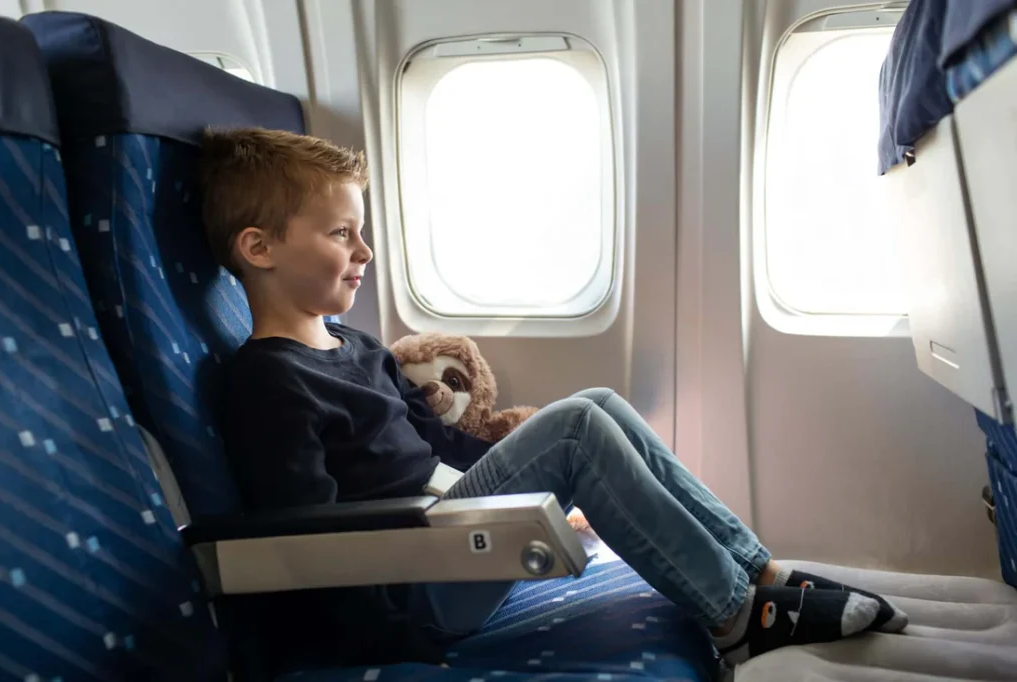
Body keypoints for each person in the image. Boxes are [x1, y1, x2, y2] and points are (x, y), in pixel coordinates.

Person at [202, 127, 907, 667]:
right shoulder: (266, 380)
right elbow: (308, 541)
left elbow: (443, 447)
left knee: (594, 403)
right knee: (572, 428)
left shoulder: (358, 348)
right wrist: (523, 490)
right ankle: (734, 622)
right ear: (260, 248)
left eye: (362, 234)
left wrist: (533, 488)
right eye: (341, 234)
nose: (365, 252)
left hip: (443, 537)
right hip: (404, 585)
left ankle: (761, 571)